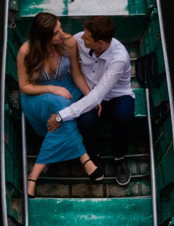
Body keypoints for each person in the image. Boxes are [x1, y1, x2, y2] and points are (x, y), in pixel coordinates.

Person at [16, 12, 101, 198]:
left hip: (67, 86)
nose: (62, 34)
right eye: (56, 33)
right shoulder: (26, 51)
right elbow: (24, 86)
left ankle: (33, 175)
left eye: (61, 28)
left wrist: (91, 96)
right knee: (62, 104)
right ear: (44, 37)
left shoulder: (69, 43)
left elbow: (77, 74)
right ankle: (83, 158)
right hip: (37, 93)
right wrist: (52, 89)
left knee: (62, 109)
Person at [46, 15, 136, 185]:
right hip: (90, 91)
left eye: (87, 37)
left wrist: (60, 116)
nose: (81, 38)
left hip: (117, 95)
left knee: (125, 117)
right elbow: (63, 39)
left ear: (100, 43)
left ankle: (119, 157)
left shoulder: (119, 58)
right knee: (86, 120)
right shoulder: (82, 39)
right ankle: (93, 156)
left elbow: (98, 96)